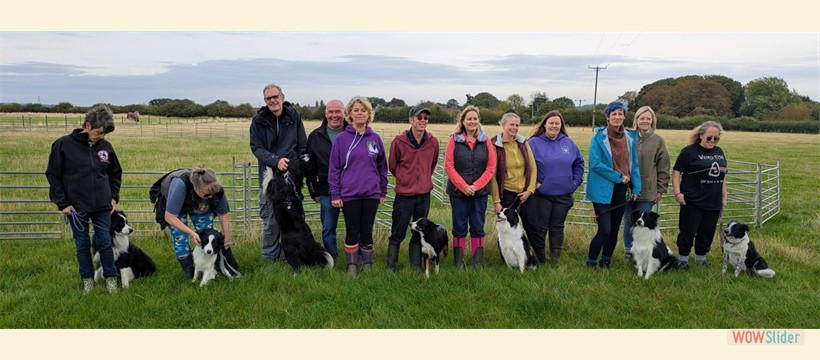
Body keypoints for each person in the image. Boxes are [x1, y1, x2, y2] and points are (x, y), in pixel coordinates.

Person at [46, 104, 122, 293]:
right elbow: (53, 175)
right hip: (76, 207)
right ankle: (87, 279)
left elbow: (115, 173)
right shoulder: (63, 145)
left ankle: (111, 277)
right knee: (82, 244)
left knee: (105, 242)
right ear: (87, 126)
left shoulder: (106, 147)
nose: (101, 137)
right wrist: (62, 203)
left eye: (104, 134)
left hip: (102, 205)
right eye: (99, 132)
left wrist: (113, 197)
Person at [328, 96, 388, 277]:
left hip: (371, 194)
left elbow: (382, 168)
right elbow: (334, 169)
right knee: (352, 230)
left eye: (363, 110)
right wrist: (335, 194)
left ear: (369, 114)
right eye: (356, 110)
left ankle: (368, 264)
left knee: (367, 230)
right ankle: (352, 266)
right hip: (350, 194)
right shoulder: (342, 140)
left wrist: (382, 191)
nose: (360, 113)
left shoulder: (375, 139)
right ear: (350, 114)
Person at [250, 83, 307, 262]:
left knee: (295, 216)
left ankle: (292, 255)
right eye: (269, 98)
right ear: (265, 101)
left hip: (291, 176)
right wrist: (275, 160)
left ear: (282, 97)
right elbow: (256, 147)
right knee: (272, 219)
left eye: (275, 97)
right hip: (270, 176)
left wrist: (298, 166)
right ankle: (270, 257)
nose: (273, 101)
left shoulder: (294, 116)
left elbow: (302, 144)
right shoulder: (258, 120)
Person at [149, 165, 233, 279]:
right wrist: (192, 233)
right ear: (196, 188)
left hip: (200, 206)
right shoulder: (180, 185)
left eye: (213, 194)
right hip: (175, 209)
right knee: (180, 237)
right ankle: (190, 269)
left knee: (206, 234)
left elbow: (223, 214)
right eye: (207, 194)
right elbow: (170, 217)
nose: (211, 197)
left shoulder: (214, 189)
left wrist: (227, 239)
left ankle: (209, 268)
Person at [585, 100, 641, 269]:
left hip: (622, 189)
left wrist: (636, 187)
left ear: (624, 117)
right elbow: (595, 164)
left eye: (620, 114)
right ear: (608, 117)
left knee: (615, 228)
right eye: (614, 114)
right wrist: (618, 176)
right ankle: (591, 261)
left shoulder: (630, 138)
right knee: (605, 229)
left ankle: (606, 260)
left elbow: (634, 165)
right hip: (602, 189)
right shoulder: (598, 138)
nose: (617, 117)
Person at [527, 110, 585, 263]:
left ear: (561, 125)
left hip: (564, 193)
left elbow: (579, 163)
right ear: (545, 124)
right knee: (541, 226)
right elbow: (525, 165)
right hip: (542, 194)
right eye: (551, 123)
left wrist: (574, 182)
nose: (554, 126)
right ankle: (539, 257)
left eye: (557, 123)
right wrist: (534, 184)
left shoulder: (569, 142)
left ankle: (555, 258)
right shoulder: (533, 142)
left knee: (557, 226)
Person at [387, 105, 440, 272]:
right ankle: (391, 266)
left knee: (419, 233)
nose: (423, 121)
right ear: (411, 120)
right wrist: (405, 180)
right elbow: (393, 166)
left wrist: (423, 179)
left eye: (425, 118)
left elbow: (432, 164)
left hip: (423, 195)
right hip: (404, 195)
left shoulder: (432, 142)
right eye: (419, 117)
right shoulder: (399, 142)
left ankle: (416, 266)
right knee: (398, 231)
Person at [444, 105, 497, 269]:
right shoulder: (454, 140)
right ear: (463, 121)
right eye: (469, 119)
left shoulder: (485, 140)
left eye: (475, 118)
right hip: (458, 193)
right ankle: (459, 262)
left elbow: (491, 166)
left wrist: (475, 186)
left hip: (479, 193)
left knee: (478, 226)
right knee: (459, 226)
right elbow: (449, 165)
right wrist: (463, 186)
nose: (473, 121)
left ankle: (477, 262)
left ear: (478, 121)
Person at [672, 121, 728, 271]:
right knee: (688, 230)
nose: (712, 141)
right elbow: (677, 172)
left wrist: (724, 195)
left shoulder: (719, 152)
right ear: (701, 135)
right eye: (709, 138)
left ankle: (701, 259)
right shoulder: (689, 152)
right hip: (692, 199)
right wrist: (678, 193)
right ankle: (682, 259)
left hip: (713, 200)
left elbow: (722, 175)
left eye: (716, 139)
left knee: (707, 231)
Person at [622, 106, 670, 262]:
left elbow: (664, 166)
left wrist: (661, 189)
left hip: (647, 190)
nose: (644, 121)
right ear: (636, 120)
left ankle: (643, 253)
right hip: (627, 188)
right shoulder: (627, 137)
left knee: (643, 224)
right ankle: (629, 251)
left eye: (648, 118)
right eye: (641, 118)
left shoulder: (658, 141)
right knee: (628, 221)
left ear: (652, 120)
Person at [489, 113, 538, 261]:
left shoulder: (523, 143)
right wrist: (497, 201)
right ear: (503, 125)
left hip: (524, 193)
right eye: (511, 124)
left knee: (533, 225)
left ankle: (537, 257)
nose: (515, 128)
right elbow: (492, 175)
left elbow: (533, 167)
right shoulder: (495, 145)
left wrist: (530, 190)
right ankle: (507, 260)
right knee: (505, 228)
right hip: (507, 193)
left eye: (517, 125)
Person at [305, 99, 348, 262]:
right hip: (326, 190)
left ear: (344, 112)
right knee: (328, 228)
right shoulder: (315, 136)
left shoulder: (352, 133)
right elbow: (309, 167)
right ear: (325, 113)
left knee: (354, 227)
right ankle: (332, 258)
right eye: (331, 111)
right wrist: (313, 190)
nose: (334, 115)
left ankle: (355, 257)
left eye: (338, 111)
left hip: (350, 189)